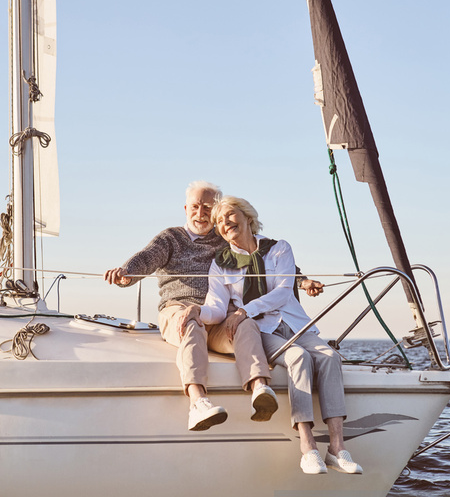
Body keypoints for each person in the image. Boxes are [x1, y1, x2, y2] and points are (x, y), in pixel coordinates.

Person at [105, 181, 321, 432]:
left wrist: (302, 281)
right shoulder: (171, 238)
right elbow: (147, 257)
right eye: (195, 207)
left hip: (217, 314)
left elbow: (263, 258)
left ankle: (260, 387)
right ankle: (197, 403)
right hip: (179, 308)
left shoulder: (224, 239)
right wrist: (126, 273)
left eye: (207, 208)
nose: (200, 214)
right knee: (192, 323)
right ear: (186, 208)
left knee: (246, 322)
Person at [180, 195, 362, 475]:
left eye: (230, 215)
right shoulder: (221, 264)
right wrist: (197, 312)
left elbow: (283, 291)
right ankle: (308, 447)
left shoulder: (279, 249)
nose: (225, 223)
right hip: (263, 329)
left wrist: (245, 309)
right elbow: (216, 308)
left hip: (295, 324)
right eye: (219, 221)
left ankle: (337, 448)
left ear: (247, 217)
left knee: (329, 357)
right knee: (298, 358)